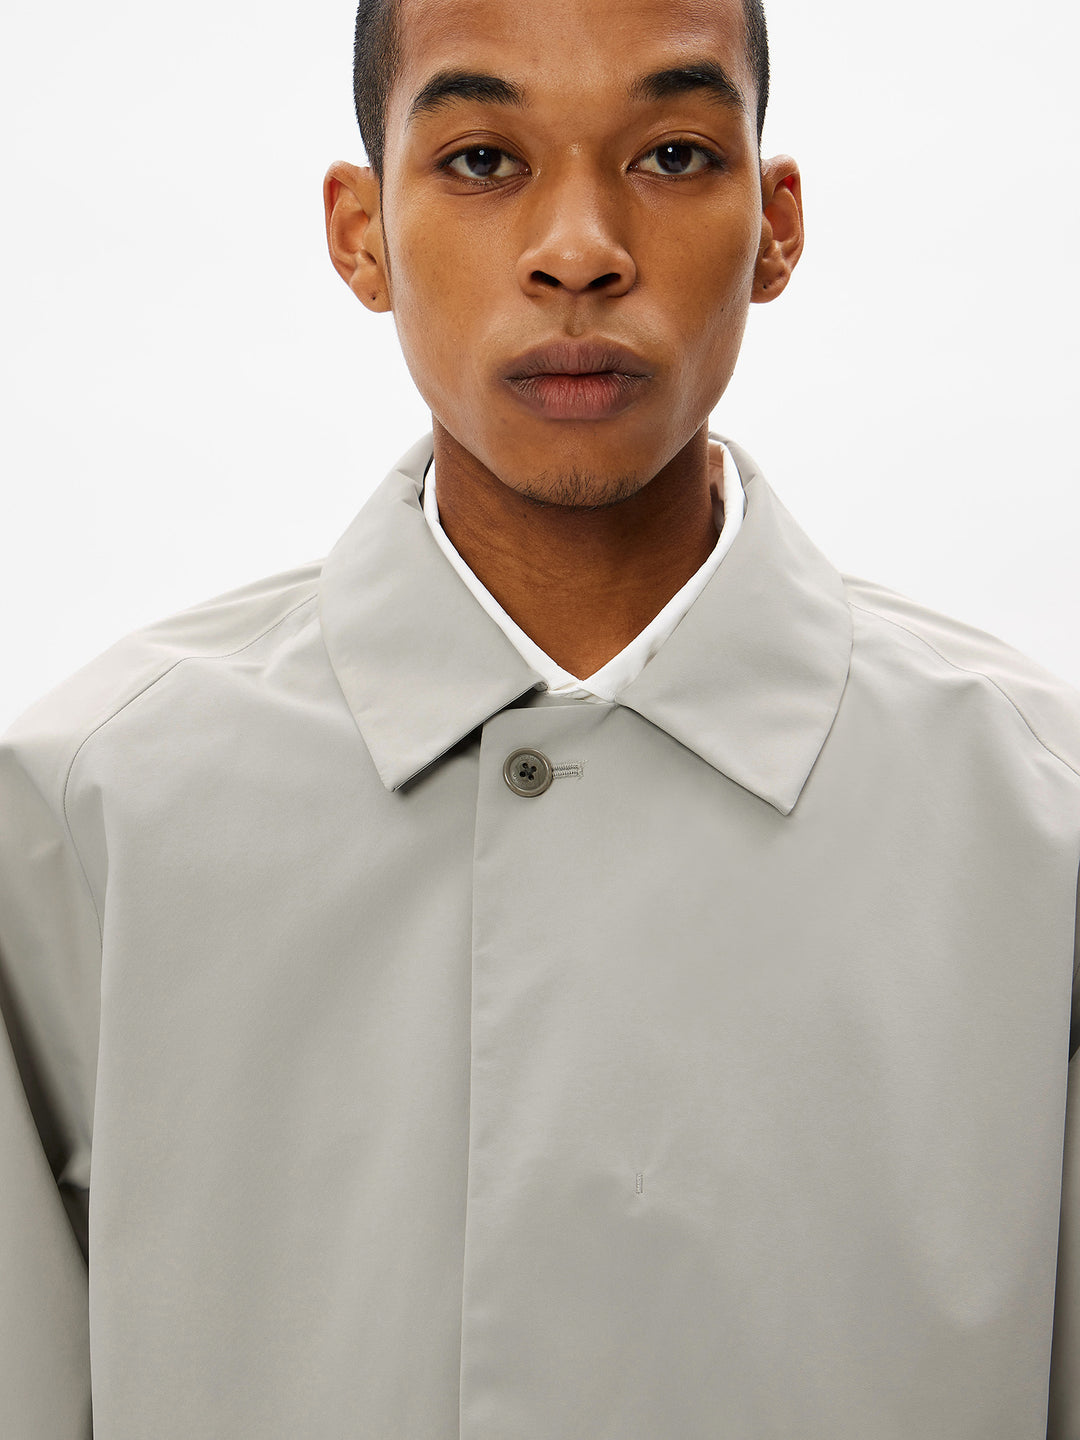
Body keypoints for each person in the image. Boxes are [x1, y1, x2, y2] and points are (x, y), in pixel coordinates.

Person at [1, 0, 1077, 1435]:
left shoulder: (1039, 830)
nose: (579, 250)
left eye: (675, 152)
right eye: (482, 160)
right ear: (362, 234)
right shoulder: (88, 822)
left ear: (775, 224)